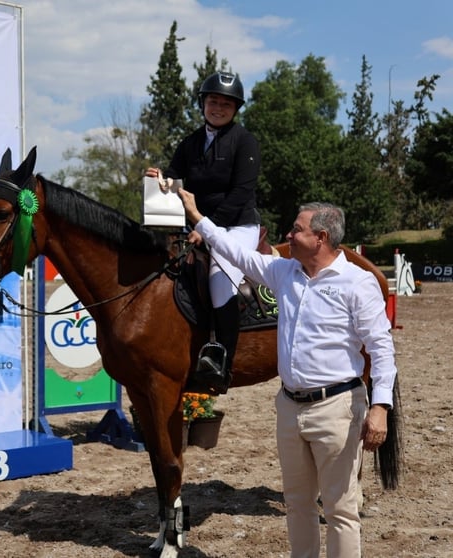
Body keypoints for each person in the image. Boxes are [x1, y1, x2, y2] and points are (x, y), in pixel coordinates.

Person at [179, 192, 397, 557]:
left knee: (340, 510)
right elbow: (236, 254)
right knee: (297, 504)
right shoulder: (284, 272)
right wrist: (197, 216)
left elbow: (382, 348)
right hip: (290, 407)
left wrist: (380, 407)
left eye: (296, 230)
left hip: (337, 408)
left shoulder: (357, 283)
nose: (288, 235)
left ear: (321, 237)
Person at [145, 71, 261, 395]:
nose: (218, 108)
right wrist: (160, 178)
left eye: (226, 104)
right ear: (203, 103)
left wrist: (207, 229)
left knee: (221, 282)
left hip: (237, 225)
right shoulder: (190, 143)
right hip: (196, 225)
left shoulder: (245, 141)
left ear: (235, 109)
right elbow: (175, 179)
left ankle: (222, 365)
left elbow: (241, 192)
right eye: (213, 101)